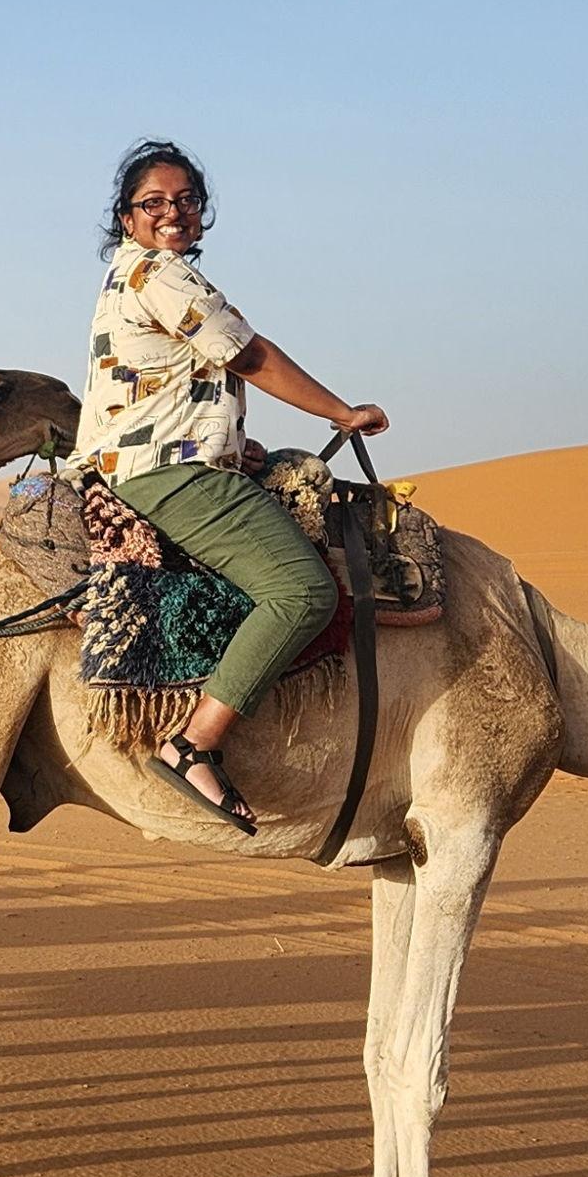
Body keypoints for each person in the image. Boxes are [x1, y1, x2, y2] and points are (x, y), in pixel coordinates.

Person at [74, 139, 390, 833]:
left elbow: (159, 389)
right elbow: (248, 354)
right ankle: (194, 743)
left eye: (186, 200)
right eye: (153, 202)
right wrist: (342, 412)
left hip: (163, 460)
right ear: (126, 218)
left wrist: (232, 444)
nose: (173, 212)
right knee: (302, 590)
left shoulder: (132, 277)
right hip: (169, 476)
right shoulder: (160, 274)